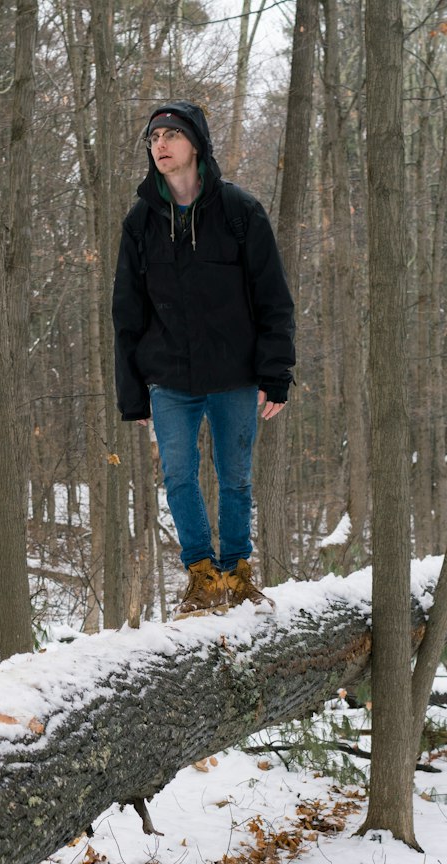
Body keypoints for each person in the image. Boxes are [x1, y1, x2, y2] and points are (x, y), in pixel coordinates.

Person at [112, 101, 296, 618]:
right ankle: (201, 575)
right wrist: (132, 392)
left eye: (171, 134)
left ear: (195, 143)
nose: (161, 144)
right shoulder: (141, 221)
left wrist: (275, 374)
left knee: (236, 475)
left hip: (234, 374)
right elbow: (126, 312)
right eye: (153, 138)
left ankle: (237, 572)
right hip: (168, 377)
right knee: (178, 475)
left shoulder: (239, 211)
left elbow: (273, 299)